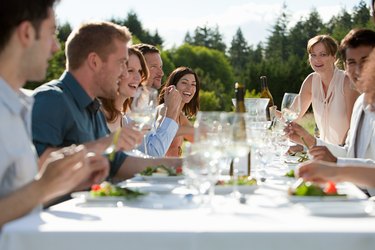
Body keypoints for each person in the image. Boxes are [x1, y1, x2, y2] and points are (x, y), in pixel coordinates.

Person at [0, 0, 109, 227]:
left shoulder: (18, 105)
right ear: (27, 33)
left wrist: (64, 182)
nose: (56, 47)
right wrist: (42, 187)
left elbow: (15, 204)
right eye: (52, 33)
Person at [32, 21, 182, 182]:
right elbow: (37, 167)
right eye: (121, 63)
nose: (124, 73)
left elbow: (119, 163)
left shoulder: (93, 108)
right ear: (94, 61)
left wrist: (188, 165)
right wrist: (104, 144)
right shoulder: (51, 99)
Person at [287, 29, 375, 166]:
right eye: (351, 62)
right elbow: (350, 153)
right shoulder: (361, 104)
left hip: (344, 166)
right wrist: (309, 143)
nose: (358, 70)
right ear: (346, 65)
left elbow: (353, 154)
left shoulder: (347, 84)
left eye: (365, 61)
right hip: (337, 161)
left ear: (334, 57)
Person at [100, 47, 181, 157]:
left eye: (139, 71)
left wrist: (178, 164)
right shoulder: (101, 114)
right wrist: (171, 112)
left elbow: (133, 157)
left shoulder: (122, 118)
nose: (138, 77)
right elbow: (152, 152)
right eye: (130, 70)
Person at [296, 35, 359, 146]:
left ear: (334, 57)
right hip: (323, 151)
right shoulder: (311, 81)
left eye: (323, 54)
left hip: (346, 154)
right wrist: (267, 109)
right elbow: (291, 115)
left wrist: (336, 155)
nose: (317, 60)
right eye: (313, 55)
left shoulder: (347, 82)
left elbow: (353, 129)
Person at [157, 67, 200, 157]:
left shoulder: (180, 117)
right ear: (173, 86)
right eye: (184, 83)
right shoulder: (163, 110)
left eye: (193, 84)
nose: (189, 88)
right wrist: (193, 130)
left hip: (174, 169)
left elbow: (199, 140)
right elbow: (160, 133)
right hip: (159, 169)